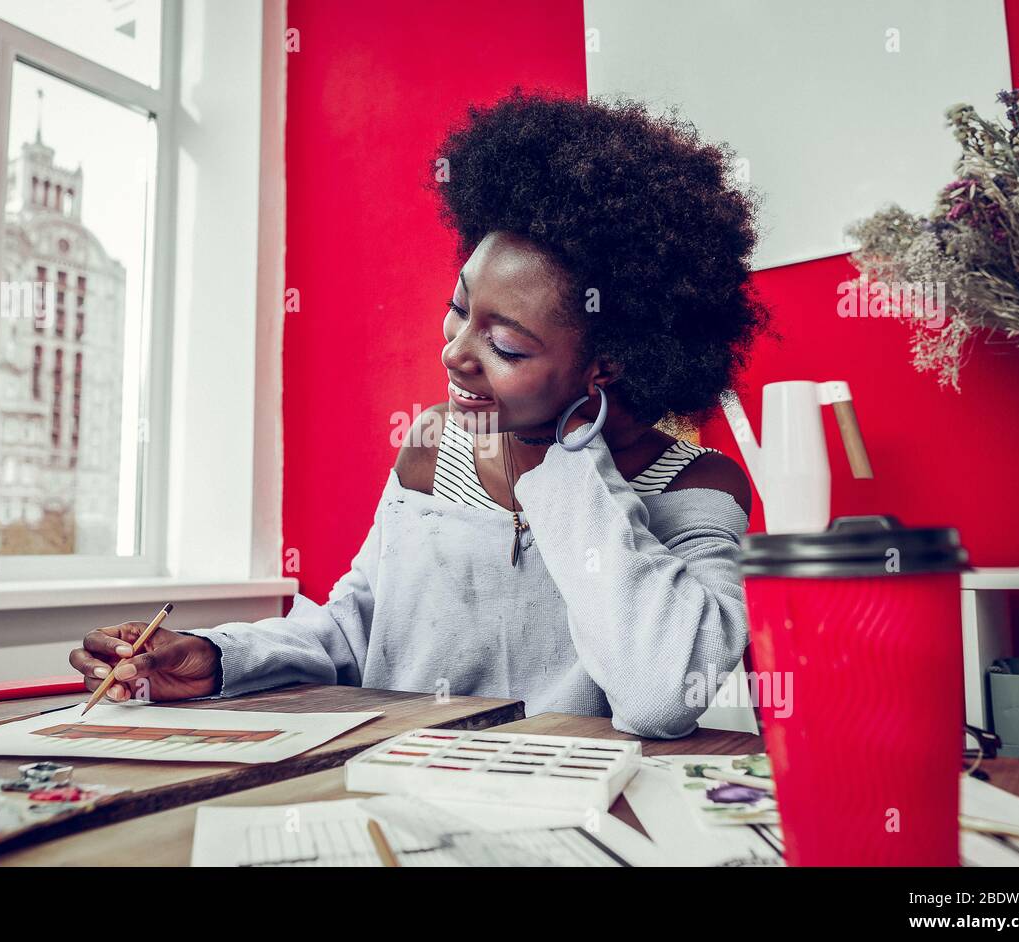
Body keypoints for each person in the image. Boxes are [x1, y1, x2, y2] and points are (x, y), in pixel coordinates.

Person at [68, 89, 770, 738]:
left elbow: (659, 693)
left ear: (606, 363)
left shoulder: (694, 485)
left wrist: (564, 456)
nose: (456, 353)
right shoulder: (435, 446)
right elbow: (357, 629)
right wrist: (218, 657)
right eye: (460, 309)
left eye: (503, 344)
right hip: (390, 791)